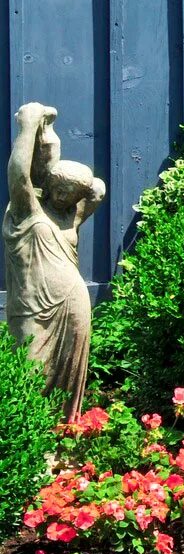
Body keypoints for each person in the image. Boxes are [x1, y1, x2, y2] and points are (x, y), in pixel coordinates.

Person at [4, 103, 103, 418]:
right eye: (59, 190)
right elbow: (19, 173)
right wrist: (31, 127)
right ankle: (31, 446)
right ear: (48, 184)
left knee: (67, 382)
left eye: (70, 195)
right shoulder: (26, 210)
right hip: (32, 306)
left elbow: (97, 191)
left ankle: (63, 438)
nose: (63, 198)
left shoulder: (70, 217)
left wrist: (50, 135)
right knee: (28, 371)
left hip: (71, 305)